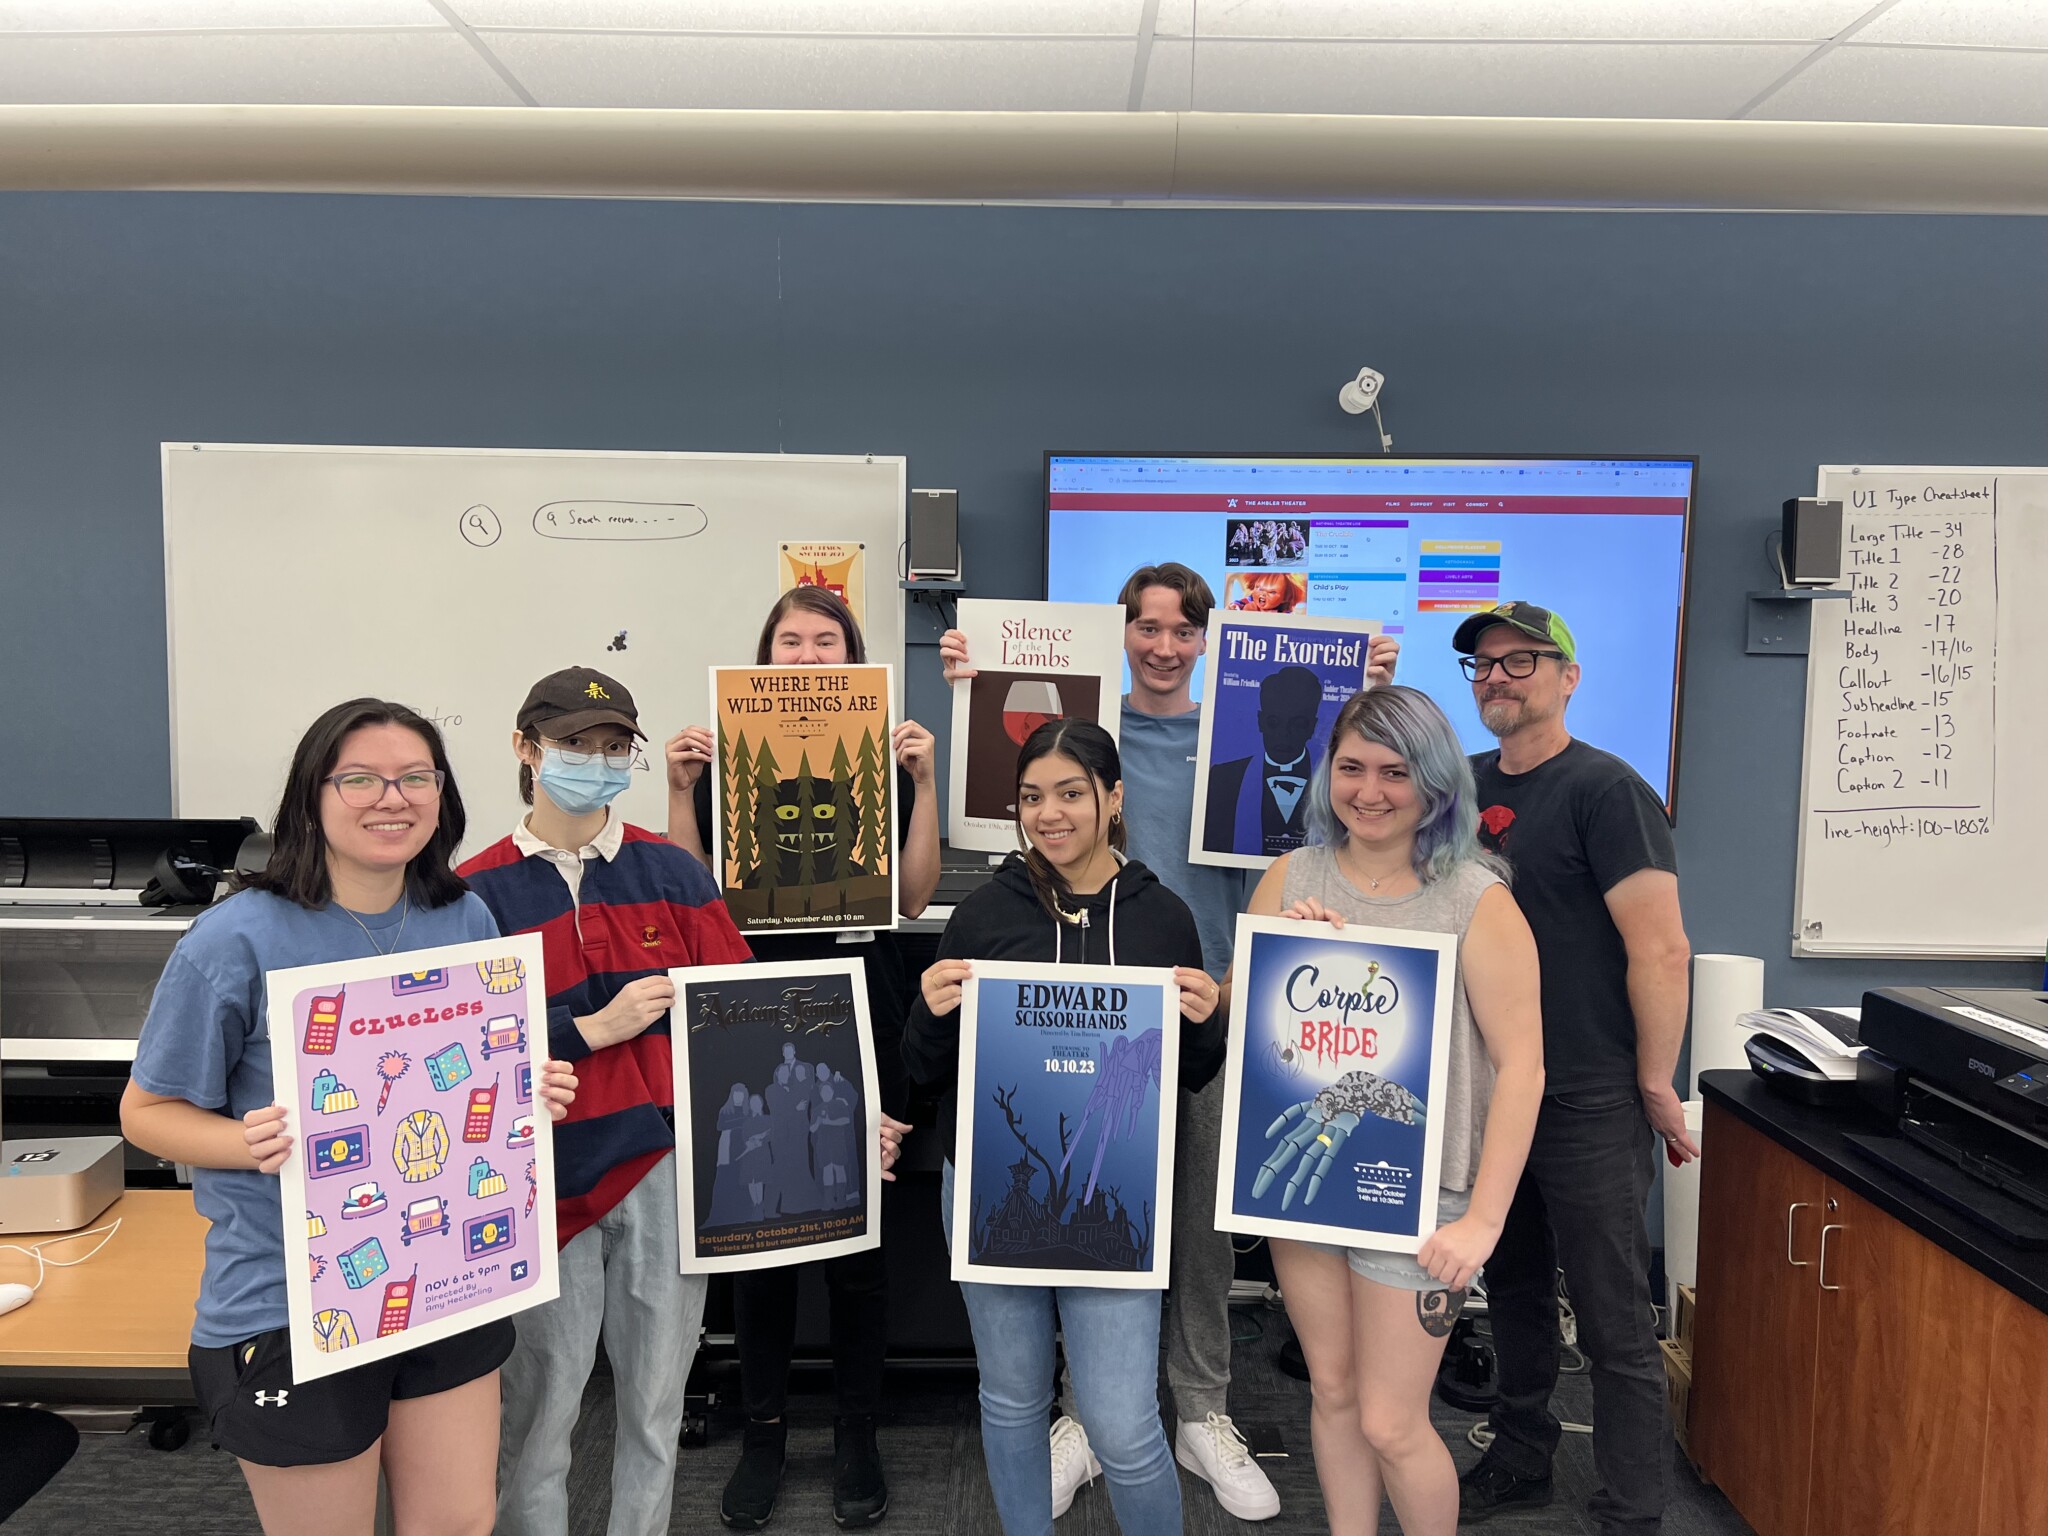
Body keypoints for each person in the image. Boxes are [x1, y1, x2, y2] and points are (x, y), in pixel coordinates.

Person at [942, 562, 1397, 1521]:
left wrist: (1371, 695)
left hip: (1213, 1001)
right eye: (1145, 627)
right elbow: (1009, 789)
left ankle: (1201, 1409)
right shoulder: (1095, 733)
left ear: (1207, 640)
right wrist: (970, 683)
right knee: (1082, 1206)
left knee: (1199, 1227)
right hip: (1080, 1019)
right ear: (1123, 635)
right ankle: (1082, 1416)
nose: (1162, 645)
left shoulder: (1245, 735)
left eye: (1182, 630)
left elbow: (1359, 797)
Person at [120, 699, 578, 1536]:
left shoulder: (464, 916)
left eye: (416, 778)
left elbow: (470, 1085)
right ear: (312, 797)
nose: (391, 798)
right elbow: (145, 1113)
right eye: (360, 779)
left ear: (442, 796)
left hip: (445, 1278)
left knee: (457, 1526)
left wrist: (526, 1091)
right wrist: (240, 1140)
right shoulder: (235, 937)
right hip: (291, 1299)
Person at [1225, 685, 1544, 1535]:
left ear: (1436, 785)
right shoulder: (1293, 875)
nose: (1369, 790)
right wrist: (1288, 951)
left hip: (1422, 1196)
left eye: (1395, 772)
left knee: (1391, 1421)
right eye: (1352, 767)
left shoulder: (1477, 899)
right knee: (1331, 1391)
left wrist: (1482, 1221)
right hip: (1310, 1183)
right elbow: (1245, 1020)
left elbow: (1523, 1070)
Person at [902, 718, 1226, 1536]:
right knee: (1011, 1399)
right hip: (989, 1184)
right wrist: (933, 1016)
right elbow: (926, 1067)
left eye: (1072, 794)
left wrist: (1207, 1021)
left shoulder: (1164, 919)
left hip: (1116, 1192)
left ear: (1113, 799)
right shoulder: (982, 915)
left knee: (1120, 1422)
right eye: (1032, 797)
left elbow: (1189, 1077)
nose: (1050, 814)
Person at [456, 666, 753, 1536]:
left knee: (657, 1413)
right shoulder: (473, 894)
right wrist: (587, 1029)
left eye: (612, 746)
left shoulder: (675, 873)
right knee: (539, 1418)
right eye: (573, 744)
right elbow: (457, 1057)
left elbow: (740, 1019)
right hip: (540, 1182)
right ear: (525, 748)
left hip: (664, 1171)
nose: (595, 760)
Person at [667, 584, 937, 1530]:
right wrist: (680, 791)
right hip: (748, 1011)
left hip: (860, 1005)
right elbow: (697, 900)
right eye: (792, 641)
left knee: (860, 1245)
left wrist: (926, 782)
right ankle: (766, 1433)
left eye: (829, 642)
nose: (810, 656)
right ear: (766, 654)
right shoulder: (719, 760)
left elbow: (910, 899)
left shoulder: (888, 753)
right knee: (762, 1243)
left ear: (854, 656)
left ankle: (858, 1431)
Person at [1449, 602, 1693, 1535]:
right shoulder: (1461, 790)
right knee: (1507, 1287)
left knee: (1610, 1316)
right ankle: (1521, 1458)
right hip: (1490, 1085)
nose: (1497, 677)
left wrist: (1656, 1084)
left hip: (1589, 1094)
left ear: (1568, 676)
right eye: (1482, 665)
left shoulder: (1608, 789)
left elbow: (1661, 950)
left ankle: (1633, 1508)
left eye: (1520, 661)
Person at [1201, 663, 1325, 860]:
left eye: (1298, 724)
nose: (1284, 734)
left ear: (1312, 726)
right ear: (1260, 721)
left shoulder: (1335, 782)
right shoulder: (1223, 778)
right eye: (1274, 722)